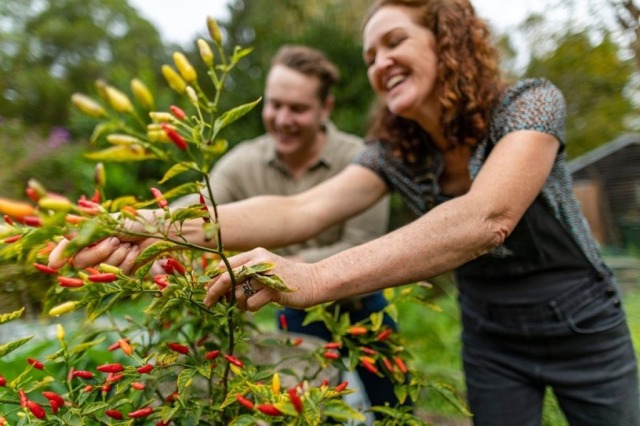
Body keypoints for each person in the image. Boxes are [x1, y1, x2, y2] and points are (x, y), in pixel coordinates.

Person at [51, 1, 640, 424]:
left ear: (447, 40)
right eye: (369, 55)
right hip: (490, 331)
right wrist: (152, 228)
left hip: (582, 322)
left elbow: (488, 216)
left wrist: (313, 277)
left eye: (394, 42)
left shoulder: (530, 103)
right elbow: (299, 209)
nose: (379, 62)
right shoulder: (394, 151)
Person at [171, 45, 398, 409]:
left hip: (359, 304)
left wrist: (275, 268)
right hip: (289, 309)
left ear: (326, 109)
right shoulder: (244, 162)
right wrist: (148, 227)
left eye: (298, 108)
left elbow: (362, 243)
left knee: (391, 404)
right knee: (305, 407)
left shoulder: (360, 159)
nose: (282, 118)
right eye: (274, 104)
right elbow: (199, 210)